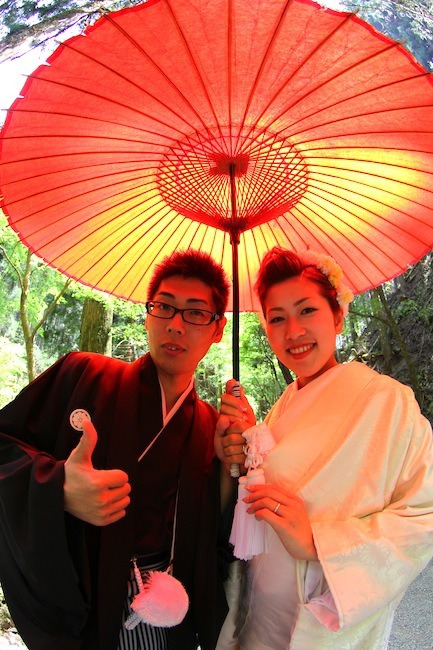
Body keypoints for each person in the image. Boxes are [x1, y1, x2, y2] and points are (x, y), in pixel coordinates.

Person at [0, 249, 231, 650]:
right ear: (148, 314)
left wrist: (235, 465)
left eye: (196, 313)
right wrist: (58, 488)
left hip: (169, 607)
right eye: (164, 307)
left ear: (218, 329)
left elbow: (221, 538)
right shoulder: (83, 374)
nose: (175, 325)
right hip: (87, 604)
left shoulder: (212, 426)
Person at [215, 247, 433, 649]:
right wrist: (242, 444)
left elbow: (422, 515)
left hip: (322, 620)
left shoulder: (386, 401)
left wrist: (320, 542)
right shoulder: (282, 406)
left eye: (307, 311)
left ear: (337, 315)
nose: (292, 331)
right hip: (259, 614)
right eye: (276, 318)